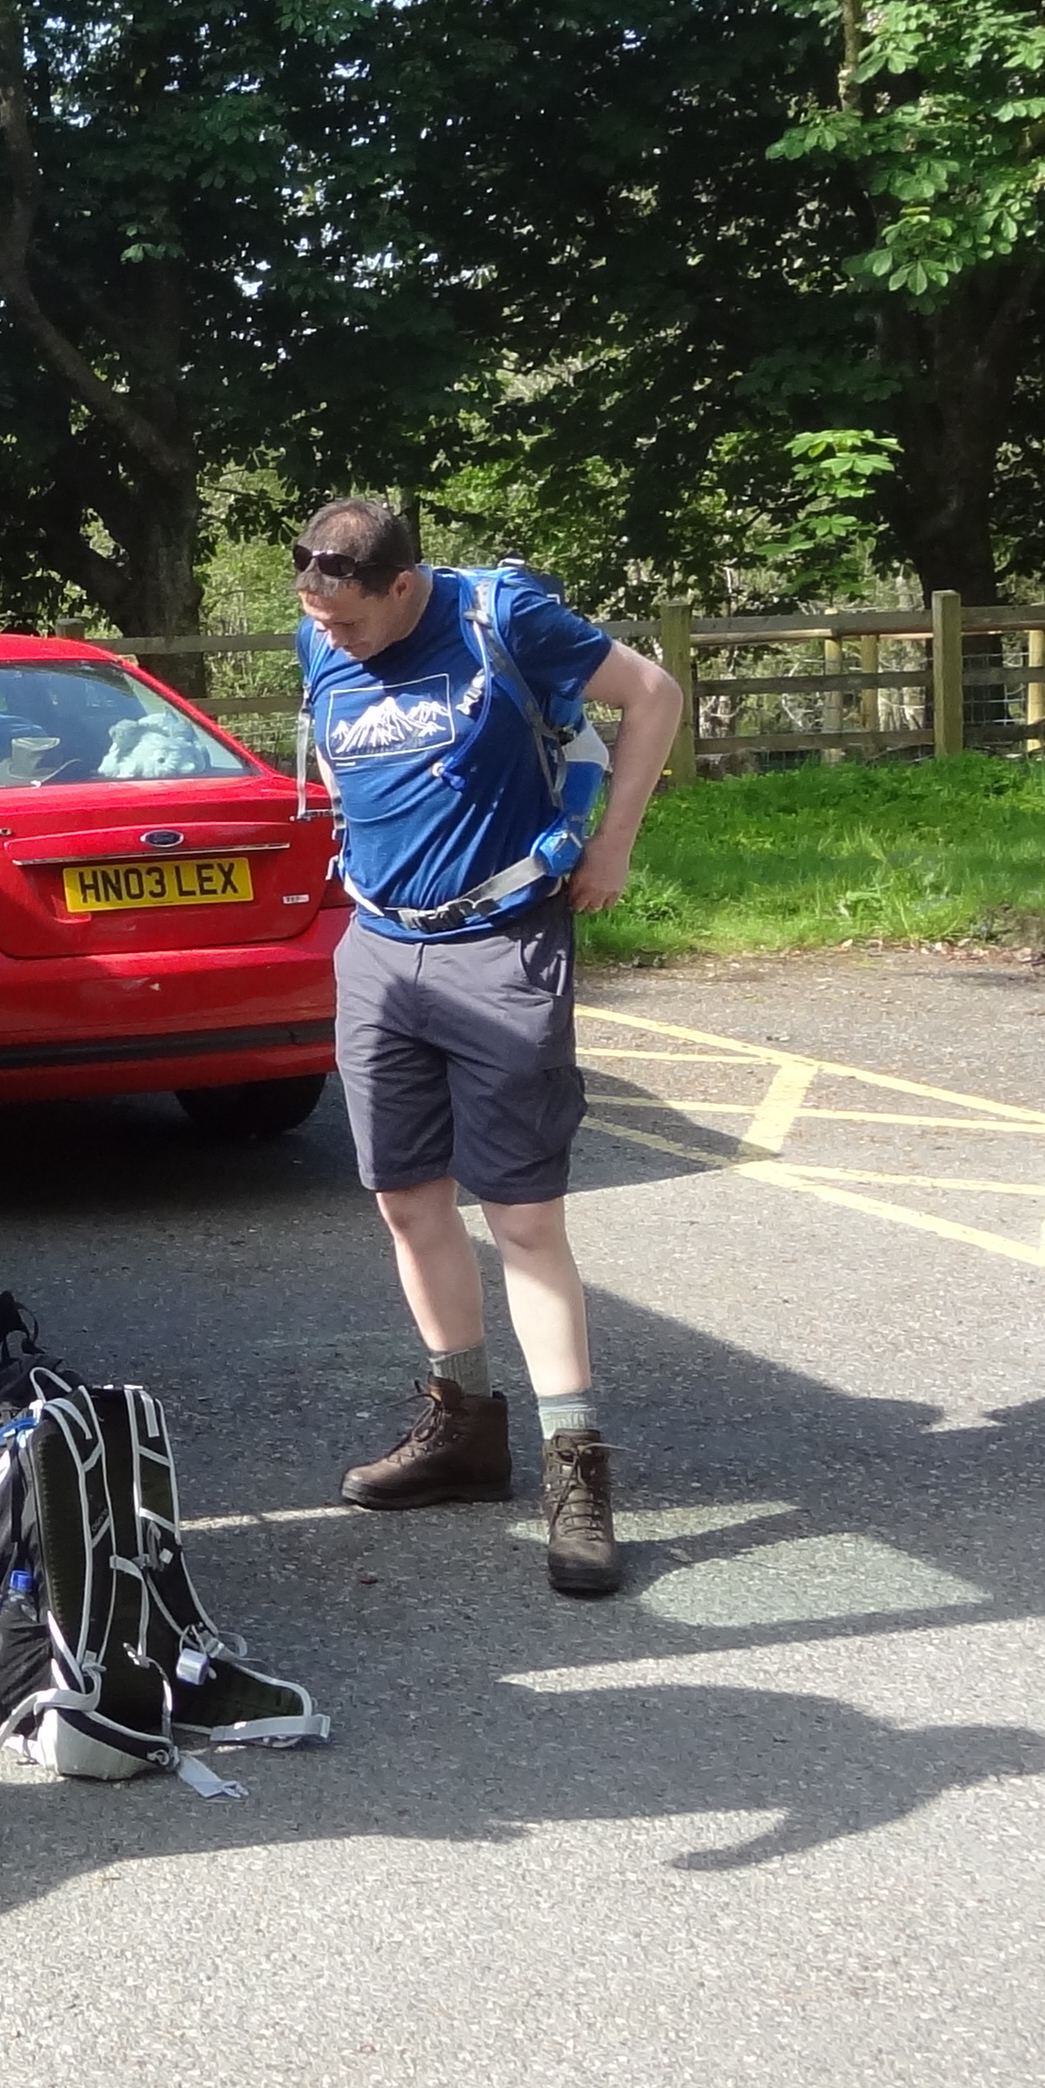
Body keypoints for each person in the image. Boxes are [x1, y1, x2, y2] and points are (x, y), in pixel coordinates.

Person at [288, 497, 684, 1598]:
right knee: (407, 1202)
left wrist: (613, 846)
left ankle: (576, 1470)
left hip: (501, 944)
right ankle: (462, 1429)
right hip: (378, 948)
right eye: (316, 621)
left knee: (523, 1219)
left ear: (402, 585)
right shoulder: (320, 632)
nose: (332, 638)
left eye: (349, 621)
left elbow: (654, 694)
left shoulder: (499, 617)